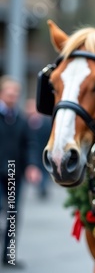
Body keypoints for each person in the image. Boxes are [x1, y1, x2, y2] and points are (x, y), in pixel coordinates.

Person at [0, 76, 41, 267]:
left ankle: (8, 256)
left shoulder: (22, 120)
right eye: (9, 92)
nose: (13, 96)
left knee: (13, 214)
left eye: (16, 93)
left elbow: (29, 145)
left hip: (12, 174)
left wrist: (32, 166)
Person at [25, 99, 52, 200]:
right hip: (34, 152)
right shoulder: (25, 122)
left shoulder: (46, 122)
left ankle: (42, 186)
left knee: (44, 170)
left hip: (44, 150)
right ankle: (40, 185)